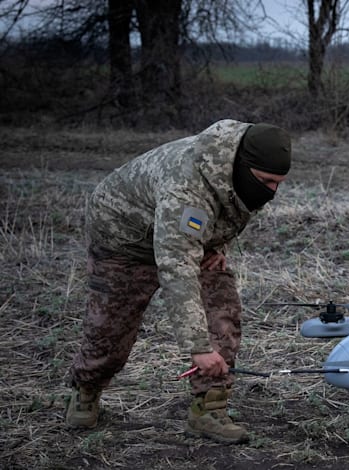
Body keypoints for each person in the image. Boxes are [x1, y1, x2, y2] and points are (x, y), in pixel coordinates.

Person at [65, 119, 292, 444]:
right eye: (266, 181)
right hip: (125, 241)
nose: (272, 192)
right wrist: (197, 348)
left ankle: (209, 409)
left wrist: (217, 245)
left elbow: (229, 208)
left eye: (278, 183)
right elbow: (177, 269)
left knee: (223, 313)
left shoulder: (242, 173)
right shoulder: (187, 188)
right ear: (244, 166)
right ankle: (86, 389)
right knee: (109, 329)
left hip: (184, 235)